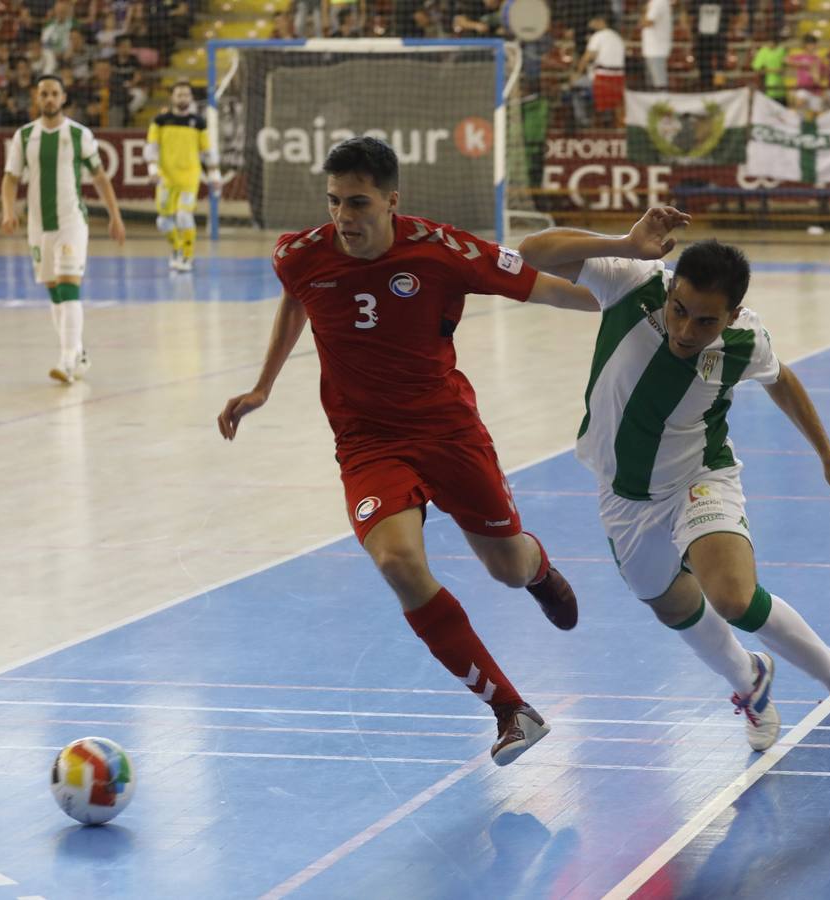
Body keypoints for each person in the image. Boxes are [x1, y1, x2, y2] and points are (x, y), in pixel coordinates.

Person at [216, 136, 595, 766]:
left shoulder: (443, 250)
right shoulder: (300, 254)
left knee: (505, 565)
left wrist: (634, 308)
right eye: (335, 202)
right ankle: (510, 709)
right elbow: (296, 299)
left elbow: (542, 287)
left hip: (448, 431)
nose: (344, 217)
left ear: (393, 199)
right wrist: (263, 385)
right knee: (396, 560)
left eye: (359, 203)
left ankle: (537, 569)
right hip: (367, 442)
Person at [517, 208, 830, 753]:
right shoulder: (632, 282)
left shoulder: (746, 341)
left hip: (699, 478)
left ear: (732, 316)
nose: (684, 330)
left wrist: (828, 455)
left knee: (731, 596)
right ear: (671, 290)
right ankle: (750, 681)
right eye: (679, 311)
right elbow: (533, 250)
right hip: (623, 494)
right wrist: (626, 243)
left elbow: (782, 380)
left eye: (704, 321)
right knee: (671, 605)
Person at [1, 74, 126, 385]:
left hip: (71, 222)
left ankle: (67, 359)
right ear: (36, 98)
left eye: (54, 93)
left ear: (64, 97)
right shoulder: (25, 136)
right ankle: (78, 352)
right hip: (38, 226)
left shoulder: (79, 134)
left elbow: (99, 177)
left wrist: (115, 215)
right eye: (44, 93)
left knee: (69, 286)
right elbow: (10, 179)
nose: (49, 99)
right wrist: (7, 211)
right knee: (55, 293)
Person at [146, 81, 221, 272]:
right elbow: (152, 146)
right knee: (163, 222)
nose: (183, 98)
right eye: (179, 94)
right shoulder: (160, 121)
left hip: (189, 178)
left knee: (184, 217)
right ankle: (176, 249)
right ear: (173, 97)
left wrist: (214, 175)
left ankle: (187, 256)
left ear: (191, 98)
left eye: (186, 95)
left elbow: (207, 151)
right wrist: (153, 171)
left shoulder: (198, 123)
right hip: (166, 179)